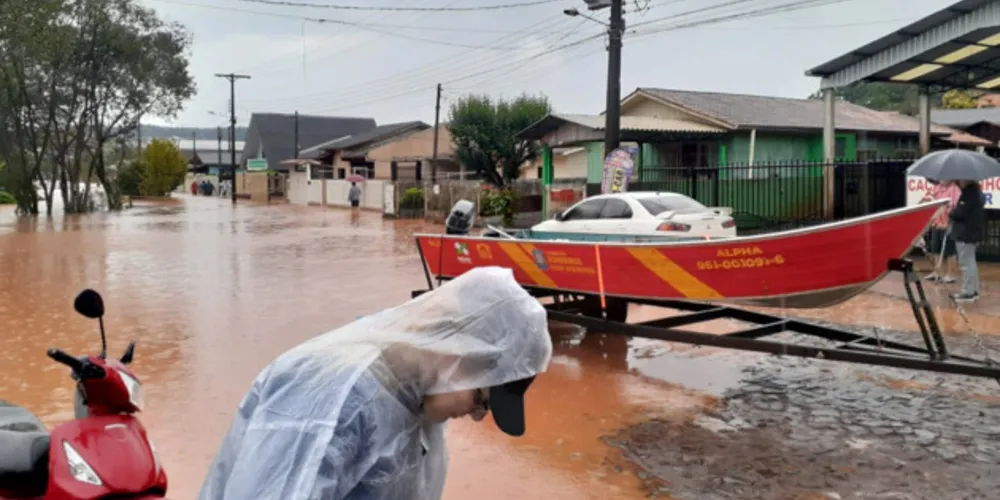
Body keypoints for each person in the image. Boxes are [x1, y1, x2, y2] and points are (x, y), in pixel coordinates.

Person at [197, 267, 553, 500]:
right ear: (456, 354)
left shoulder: (419, 407)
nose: (476, 417)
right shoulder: (333, 398)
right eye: (481, 400)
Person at [949, 179, 986, 302]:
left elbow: (960, 213)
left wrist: (952, 212)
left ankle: (968, 291)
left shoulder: (969, 194)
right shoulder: (977, 192)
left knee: (966, 263)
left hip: (965, 233)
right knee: (970, 262)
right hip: (971, 233)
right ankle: (973, 290)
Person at [921, 179, 960, 284]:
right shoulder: (937, 188)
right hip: (936, 223)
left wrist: (948, 223)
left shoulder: (955, 189)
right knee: (935, 248)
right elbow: (931, 202)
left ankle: (951, 274)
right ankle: (937, 272)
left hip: (948, 223)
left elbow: (955, 207)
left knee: (949, 249)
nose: (942, 180)